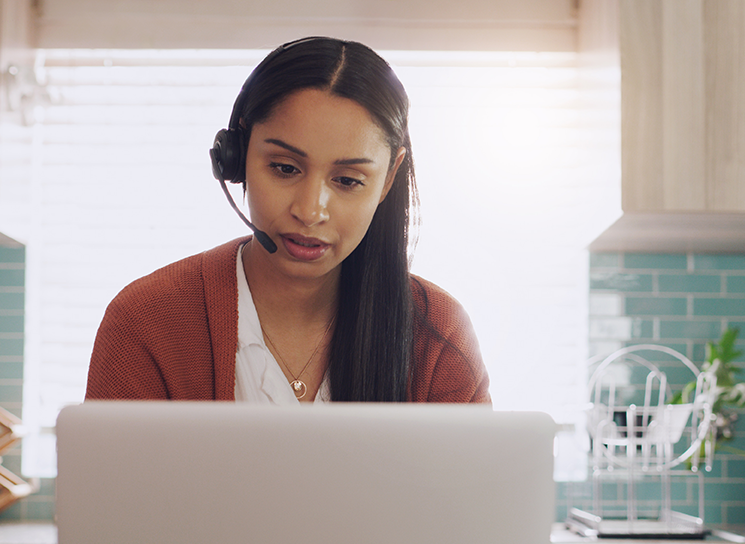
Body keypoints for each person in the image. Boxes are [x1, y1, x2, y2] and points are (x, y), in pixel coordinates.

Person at [85, 37, 490, 404]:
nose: (310, 210)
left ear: (387, 180)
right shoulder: (146, 322)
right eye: (284, 168)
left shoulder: (439, 335)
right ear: (238, 156)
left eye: (348, 180)